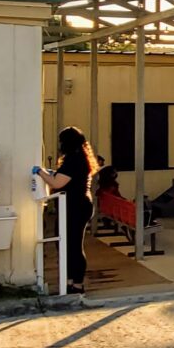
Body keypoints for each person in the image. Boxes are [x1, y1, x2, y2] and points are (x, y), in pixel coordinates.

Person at [43, 125, 101, 295]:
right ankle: (69, 282)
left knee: (73, 246)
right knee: (65, 244)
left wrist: (39, 172)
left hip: (75, 206)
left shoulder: (74, 160)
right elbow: (61, 177)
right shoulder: (78, 158)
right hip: (77, 205)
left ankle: (77, 284)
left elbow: (56, 183)